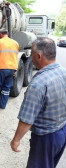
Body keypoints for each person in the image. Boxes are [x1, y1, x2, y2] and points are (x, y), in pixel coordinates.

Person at [10, 38, 66, 168]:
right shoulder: (63, 72)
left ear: (38, 56)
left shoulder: (38, 84)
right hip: (62, 131)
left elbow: (27, 119)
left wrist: (16, 140)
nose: (31, 57)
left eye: (32, 54)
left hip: (46, 139)